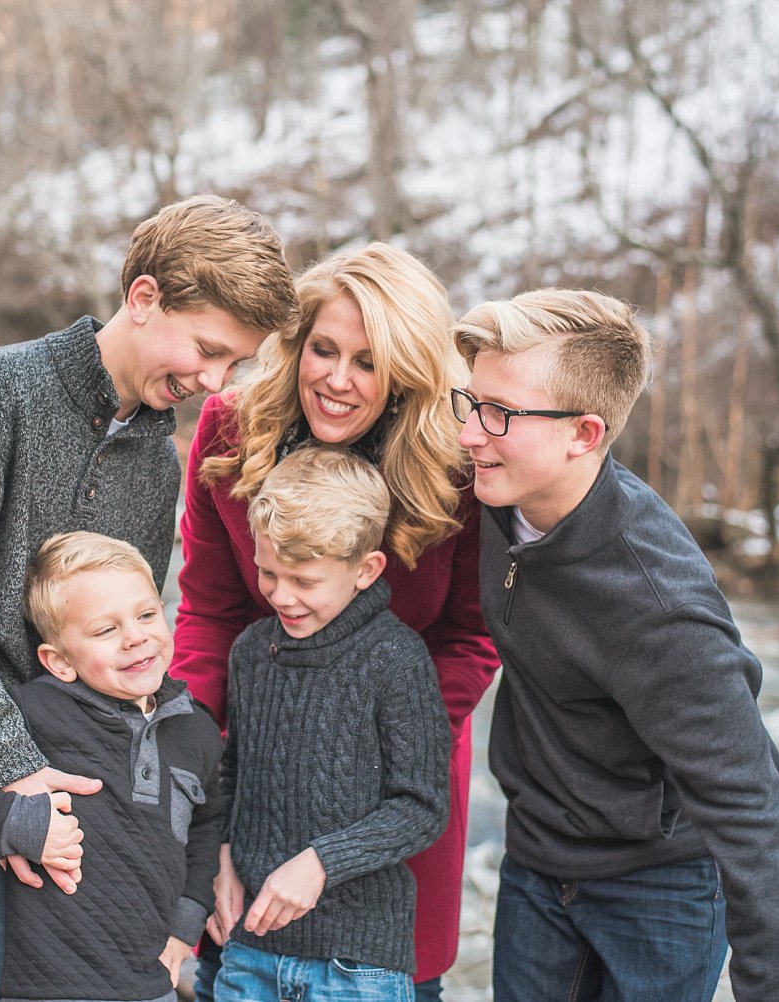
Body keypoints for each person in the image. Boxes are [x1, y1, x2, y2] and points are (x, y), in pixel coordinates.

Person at [0, 195, 297, 1002]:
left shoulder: (158, 461)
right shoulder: (0, 391)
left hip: (58, 791)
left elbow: (125, 646)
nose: (212, 382)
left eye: (233, 365)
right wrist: (13, 767)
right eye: (206, 350)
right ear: (144, 297)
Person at [449, 288, 779, 1002]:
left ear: (584, 434)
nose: (469, 433)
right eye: (470, 402)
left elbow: (757, 816)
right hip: (535, 864)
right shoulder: (500, 487)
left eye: (498, 414)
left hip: (661, 889)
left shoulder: (660, 607)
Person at [171, 242, 498, 1001]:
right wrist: (198, 789)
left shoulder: (457, 467)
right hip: (252, 772)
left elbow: (472, 638)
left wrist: (377, 744)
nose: (337, 380)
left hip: (395, 772)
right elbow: (210, 616)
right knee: (237, 959)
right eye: (323, 349)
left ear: (408, 371)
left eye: (368, 361)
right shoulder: (229, 431)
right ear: (296, 344)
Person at [0, 532, 225, 1002]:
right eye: (105, 630)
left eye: (147, 614)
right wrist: (18, 825)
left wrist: (185, 925)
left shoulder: (194, 727)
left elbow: (207, 824)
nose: (136, 637)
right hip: (43, 986)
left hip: (150, 984)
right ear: (60, 661)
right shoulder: (32, 713)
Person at [207, 446, 450, 1002]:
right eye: (268, 573)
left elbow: (421, 806)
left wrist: (321, 863)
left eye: (304, 581)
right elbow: (232, 774)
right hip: (249, 953)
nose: (281, 596)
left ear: (366, 571)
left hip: (355, 967)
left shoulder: (395, 659)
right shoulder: (251, 652)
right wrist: (220, 854)